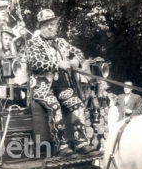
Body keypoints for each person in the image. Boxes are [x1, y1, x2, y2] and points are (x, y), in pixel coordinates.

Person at [26, 9, 95, 156]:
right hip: (42, 88)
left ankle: (81, 143)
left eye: (52, 24)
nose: (50, 27)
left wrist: (75, 61)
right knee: (55, 106)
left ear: (57, 25)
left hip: (62, 87)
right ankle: (61, 146)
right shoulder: (33, 43)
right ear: (40, 27)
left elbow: (79, 53)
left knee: (77, 104)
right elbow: (34, 63)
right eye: (46, 25)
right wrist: (58, 64)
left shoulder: (61, 42)